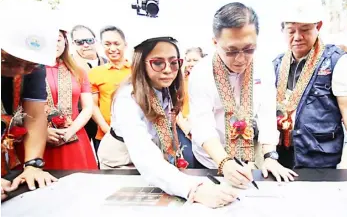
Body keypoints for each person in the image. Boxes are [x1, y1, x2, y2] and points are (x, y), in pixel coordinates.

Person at [97, 36, 238, 208]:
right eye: (158, 62)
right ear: (141, 63)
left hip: (155, 164)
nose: (168, 70)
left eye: (173, 62)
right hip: (122, 165)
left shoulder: (165, 89)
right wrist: (193, 189)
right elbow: (144, 154)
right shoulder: (127, 98)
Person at [272, 0, 347, 174]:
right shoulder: (277, 64)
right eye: (291, 30)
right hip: (281, 152)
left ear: (318, 26)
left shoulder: (336, 61)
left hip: (318, 155)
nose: (297, 37)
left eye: (305, 29)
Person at [188, 2, 297, 187]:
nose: (240, 59)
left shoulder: (262, 66)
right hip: (211, 159)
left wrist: (270, 156)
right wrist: (224, 162)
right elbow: (202, 126)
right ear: (215, 43)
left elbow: (267, 113)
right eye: (231, 51)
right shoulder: (201, 72)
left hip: (248, 157)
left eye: (249, 49)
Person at [1, 0, 59, 201]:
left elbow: (34, 115)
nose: (20, 71)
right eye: (12, 62)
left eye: (30, 66)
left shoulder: (34, 66)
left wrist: (33, 164)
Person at [43, 29, 98, 170]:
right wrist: (42, 131)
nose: (54, 44)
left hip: (75, 136)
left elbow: (88, 108)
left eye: (58, 39)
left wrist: (70, 131)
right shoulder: (28, 70)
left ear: (65, 42)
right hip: (39, 139)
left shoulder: (78, 71)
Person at [88, 26, 131, 156]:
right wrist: (107, 130)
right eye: (107, 44)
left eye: (117, 44)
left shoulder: (137, 70)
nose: (112, 49)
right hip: (106, 135)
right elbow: (93, 105)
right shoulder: (95, 73)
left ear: (125, 44)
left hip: (134, 135)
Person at [70, 25, 108, 153]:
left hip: (105, 118)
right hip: (80, 119)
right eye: (80, 42)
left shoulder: (108, 62)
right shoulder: (69, 65)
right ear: (73, 44)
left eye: (89, 41)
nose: (85, 45)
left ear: (95, 41)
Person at [176, 47, 206, 167]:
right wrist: (185, 126)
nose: (191, 63)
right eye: (188, 60)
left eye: (195, 60)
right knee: (189, 162)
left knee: (205, 162)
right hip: (183, 127)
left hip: (203, 126)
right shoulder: (179, 81)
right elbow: (174, 105)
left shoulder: (210, 81)